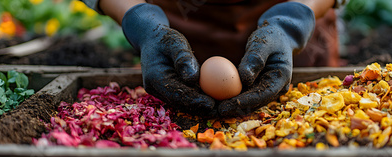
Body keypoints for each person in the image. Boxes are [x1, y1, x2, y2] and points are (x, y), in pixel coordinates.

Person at [81, 0, 346, 116]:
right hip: (177, 23)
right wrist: (137, 18)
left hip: (290, 27)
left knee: (305, 108)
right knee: (176, 88)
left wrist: (295, 20)